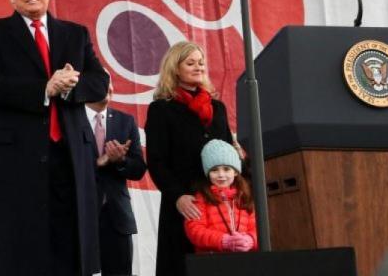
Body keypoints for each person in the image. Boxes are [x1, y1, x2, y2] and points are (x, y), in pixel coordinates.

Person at [0, 0, 110, 276]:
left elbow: (99, 81)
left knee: (70, 245)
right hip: (17, 159)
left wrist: (68, 87)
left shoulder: (74, 34)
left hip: (69, 156)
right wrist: (44, 89)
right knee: (22, 248)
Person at [145, 41, 232, 276]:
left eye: (201, 62)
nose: (198, 67)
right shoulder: (161, 110)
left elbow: (229, 153)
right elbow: (157, 161)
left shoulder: (218, 108)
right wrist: (177, 196)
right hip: (184, 205)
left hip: (219, 203)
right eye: (190, 63)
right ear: (175, 69)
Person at [85, 82, 147, 276]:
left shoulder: (125, 121)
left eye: (110, 84)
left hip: (116, 218)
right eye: (102, 83)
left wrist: (120, 161)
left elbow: (138, 169)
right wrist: (97, 163)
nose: (109, 88)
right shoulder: (72, 120)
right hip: (80, 215)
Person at [184, 140, 258, 254]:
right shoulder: (201, 198)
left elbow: (258, 228)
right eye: (214, 170)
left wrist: (250, 240)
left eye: (226, 169)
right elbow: (194, 230)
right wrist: (223, 241)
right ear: (208, 173)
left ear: (236, 172)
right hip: (212, 263)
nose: (221, 175)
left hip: (244, 261)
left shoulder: (245, 196)